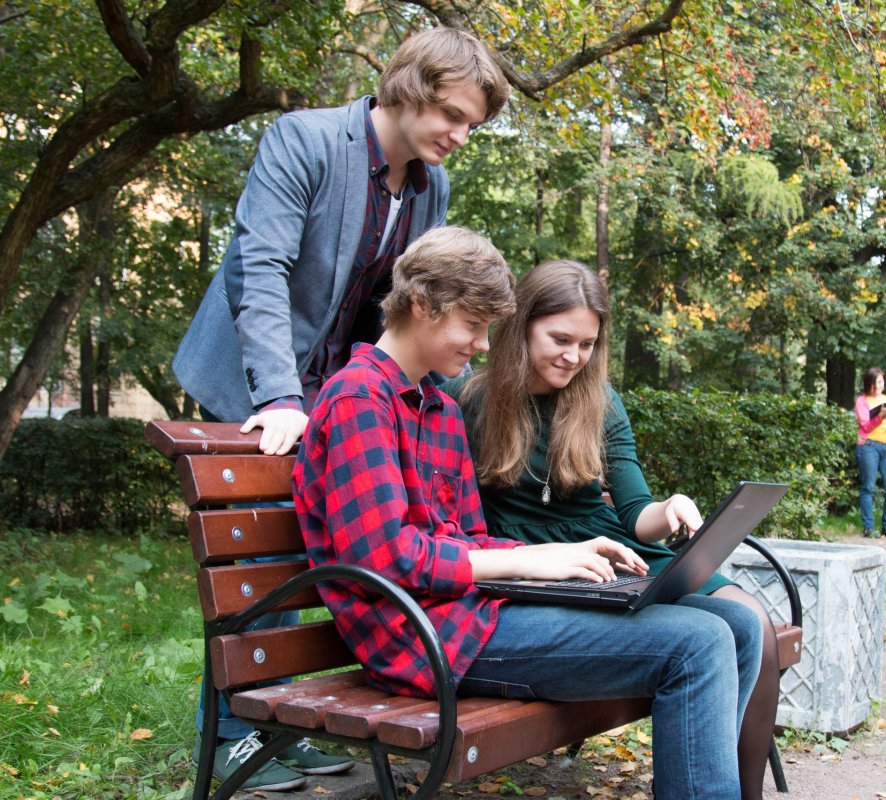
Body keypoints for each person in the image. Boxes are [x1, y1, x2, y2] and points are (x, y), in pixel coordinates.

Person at [293, 226, 760, 799]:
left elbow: (468, 537)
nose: (485, 345)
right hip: (423, 637)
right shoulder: (358, 401)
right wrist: (531, 562)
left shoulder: (436, 408)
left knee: (735, 623)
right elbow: (386, 558)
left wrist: (561, 557)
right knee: (697, 642)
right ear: (420, 305)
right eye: (473, 324)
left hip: (475, 613)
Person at [171, 27, 511, 790]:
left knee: (324, 544)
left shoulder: (430, 185)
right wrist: (281, 398)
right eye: (452, 116)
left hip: (336, 392)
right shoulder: (306, 140)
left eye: (471, 125)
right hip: (257, 386)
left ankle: (275, 734)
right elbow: (259, 268)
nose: (460, 136)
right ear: (409, 87)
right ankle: (233, 738)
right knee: (259, 559)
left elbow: (399, 309)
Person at [447, 259, 780, 800]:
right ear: (522, 323)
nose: (573, 357)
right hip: (534, 558)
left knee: (749, 620)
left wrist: (670, 508)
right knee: (708, 638)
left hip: (611, 546)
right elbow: (459, 524)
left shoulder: (598, 400)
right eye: (560, 339)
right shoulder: (476, 402)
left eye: (587, 345)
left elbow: (635, 514)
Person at [854, 366, 886, 539]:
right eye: (875, 382)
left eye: (881, 381)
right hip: (868, 445)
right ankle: (869, 527)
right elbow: (865, 425)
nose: (879, 385)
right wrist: (880, 416)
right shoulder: (862, 401)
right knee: (868, 487)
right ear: (869, 384)